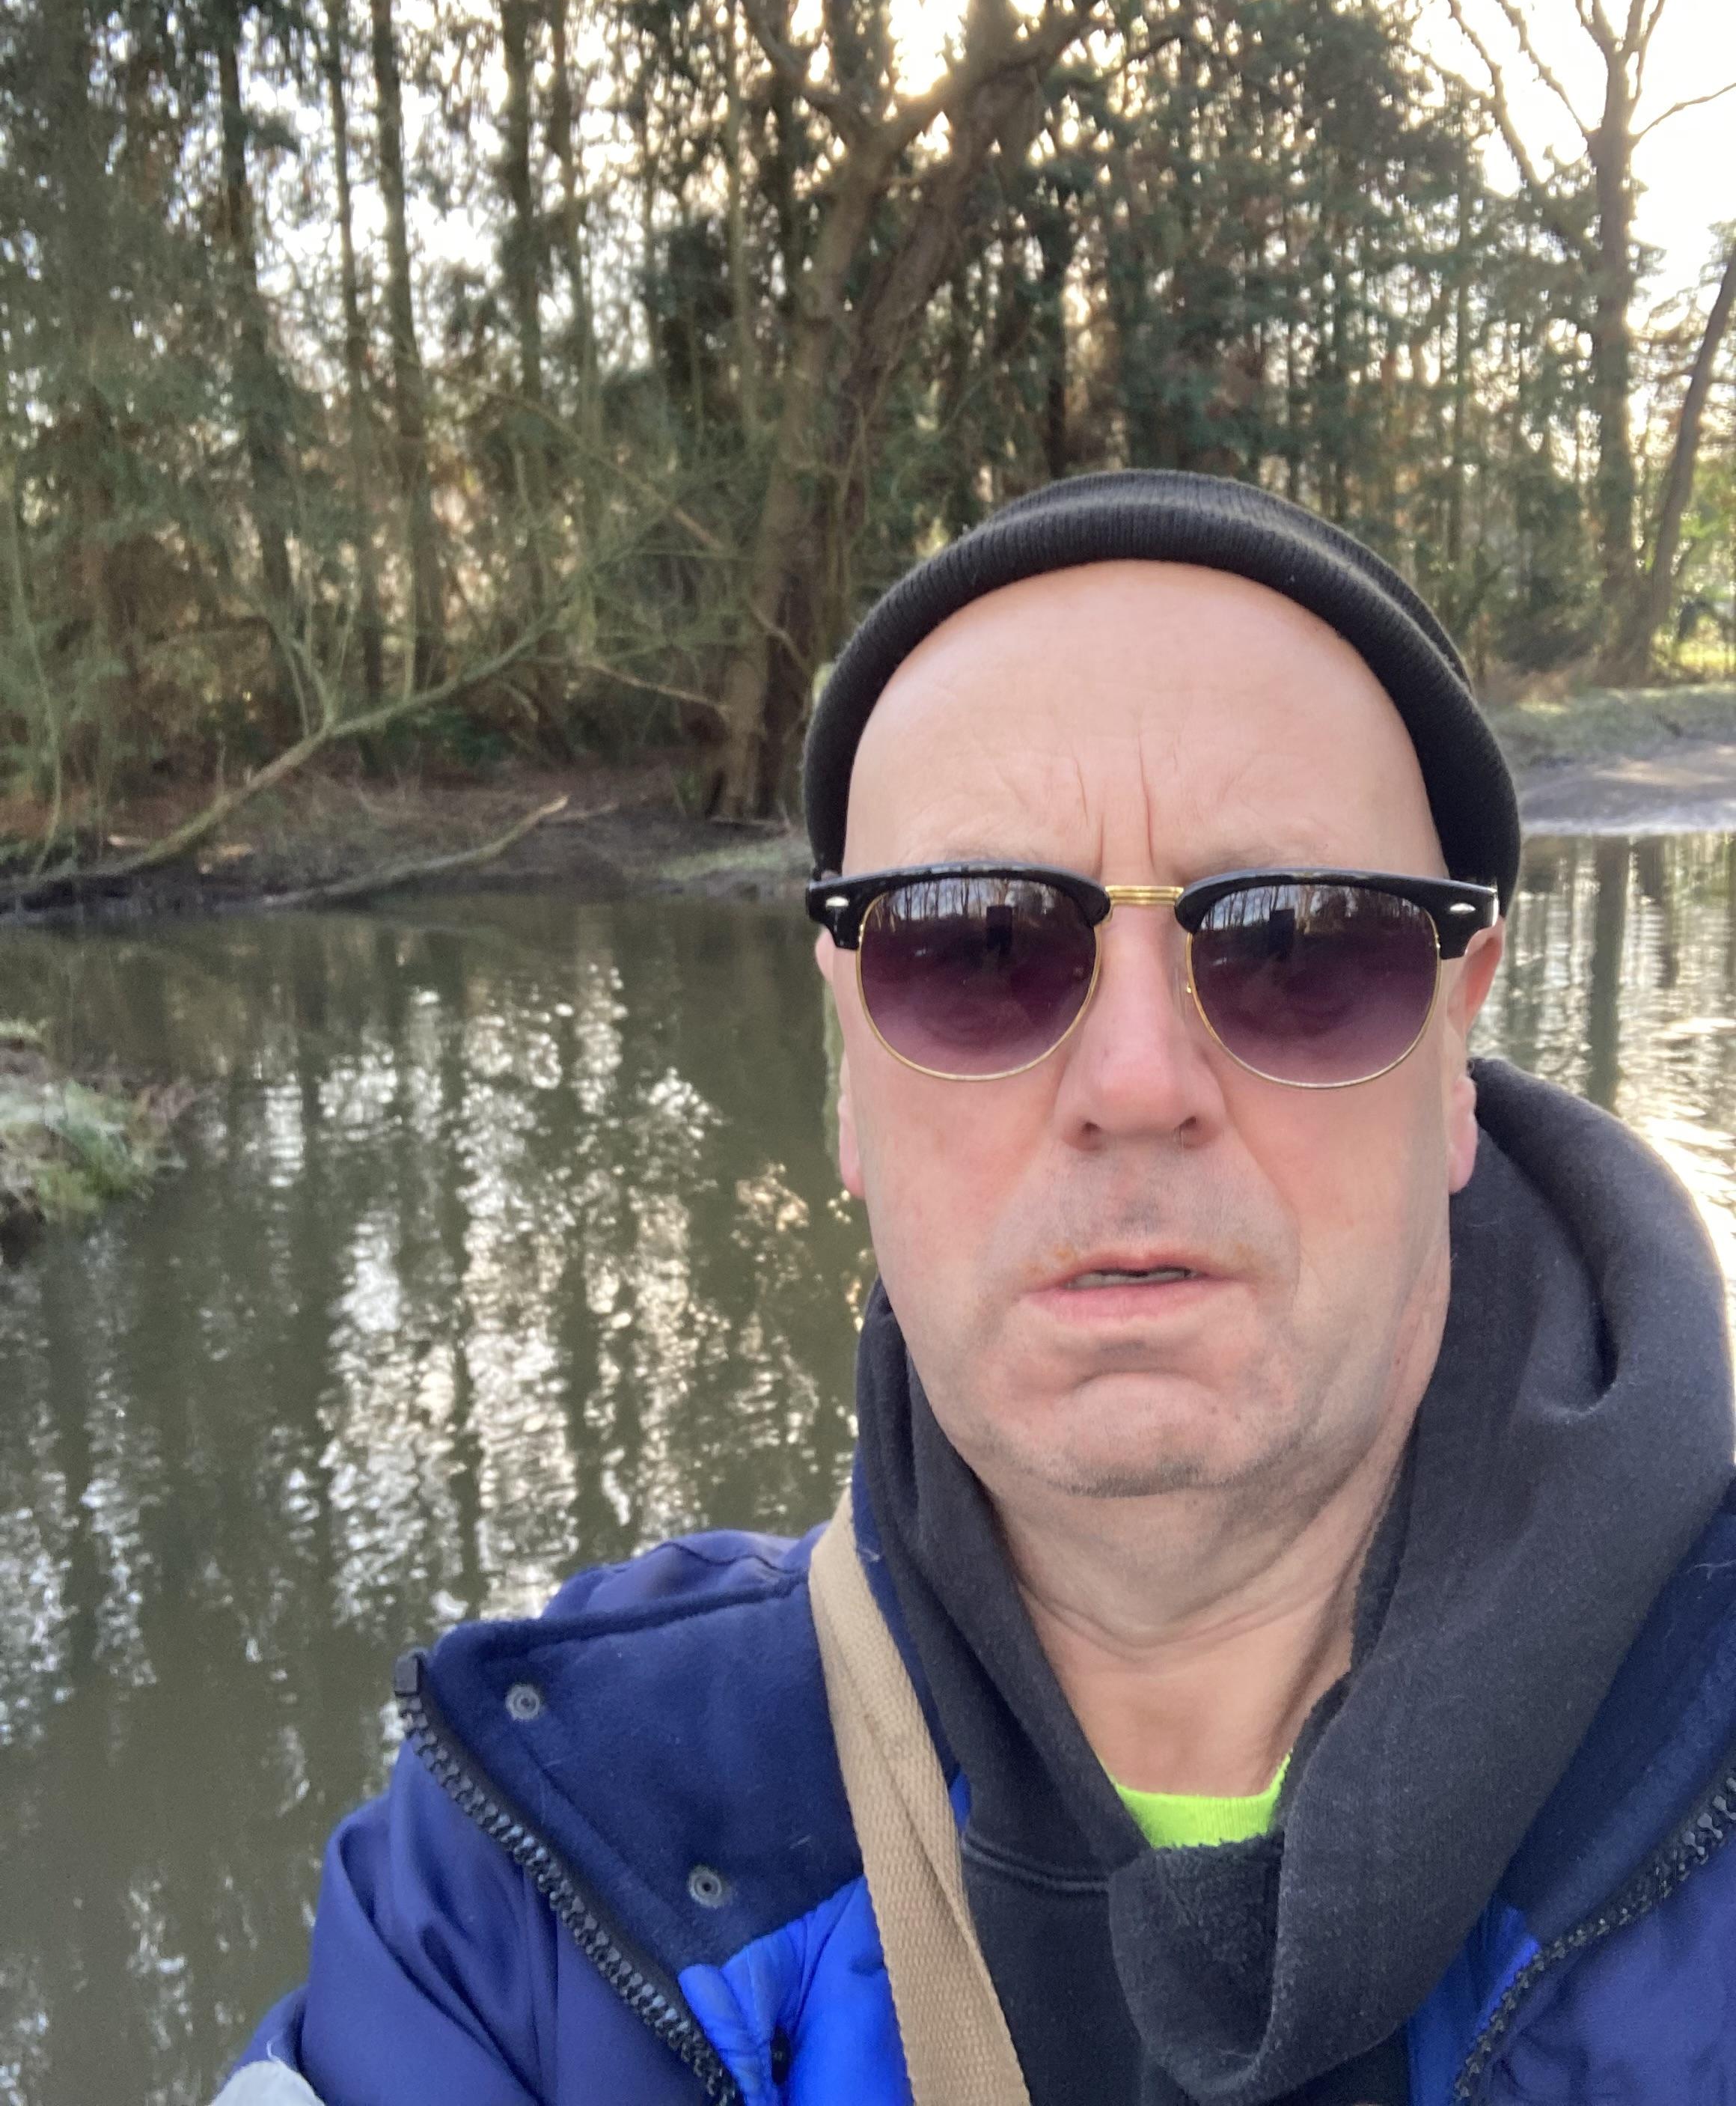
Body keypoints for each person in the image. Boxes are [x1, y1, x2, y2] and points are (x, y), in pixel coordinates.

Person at [220, 471, 1736, 2106]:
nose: (1136, 1082)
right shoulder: (528, 1867)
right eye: (975, 947)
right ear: (845, 1072)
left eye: (1297, 945)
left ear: (1452, 1047)